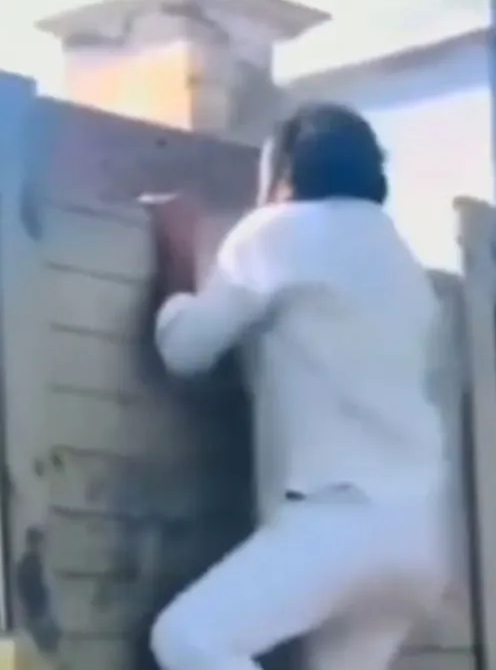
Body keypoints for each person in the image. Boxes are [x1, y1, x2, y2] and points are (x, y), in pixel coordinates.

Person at [142, 103, 452, 670]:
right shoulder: (403, 263)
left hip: (335, 519)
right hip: (419, 537)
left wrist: (180, 252)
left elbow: (185, 349)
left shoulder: (277, 231)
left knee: (190, 638)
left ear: (283, 170)